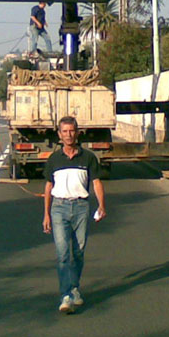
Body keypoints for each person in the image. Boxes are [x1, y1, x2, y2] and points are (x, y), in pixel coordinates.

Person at [43, 116, 106, 314]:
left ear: (77, 133)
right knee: (62, 253)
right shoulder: (54, 159)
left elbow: (96, 182)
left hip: (81, 207)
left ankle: (74, 288)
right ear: (59, 135)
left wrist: (102, 205)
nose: (68, 135)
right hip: (59, 208)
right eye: (65, 131)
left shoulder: (88, 158)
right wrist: (46, 214)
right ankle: (65, 296)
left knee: (78, 252)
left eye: (72, 131)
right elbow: (48, 186)